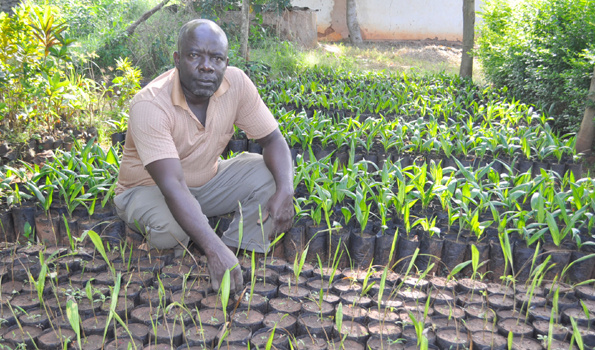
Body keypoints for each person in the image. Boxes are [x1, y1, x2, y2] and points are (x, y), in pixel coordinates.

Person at [113, 19, 294, 292]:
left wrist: (286, 191)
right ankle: (192, 255)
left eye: (216, 58)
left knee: (271, 175)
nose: (206, 66)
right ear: (177, 59)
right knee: (171, 229)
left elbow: (273, 140)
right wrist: (212, 247)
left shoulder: (236, 85)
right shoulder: (150, 105)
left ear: (225, 61)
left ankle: (235, 253)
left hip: (204, 183)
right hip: (148, 190)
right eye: (195, 55)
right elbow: (172, 187)